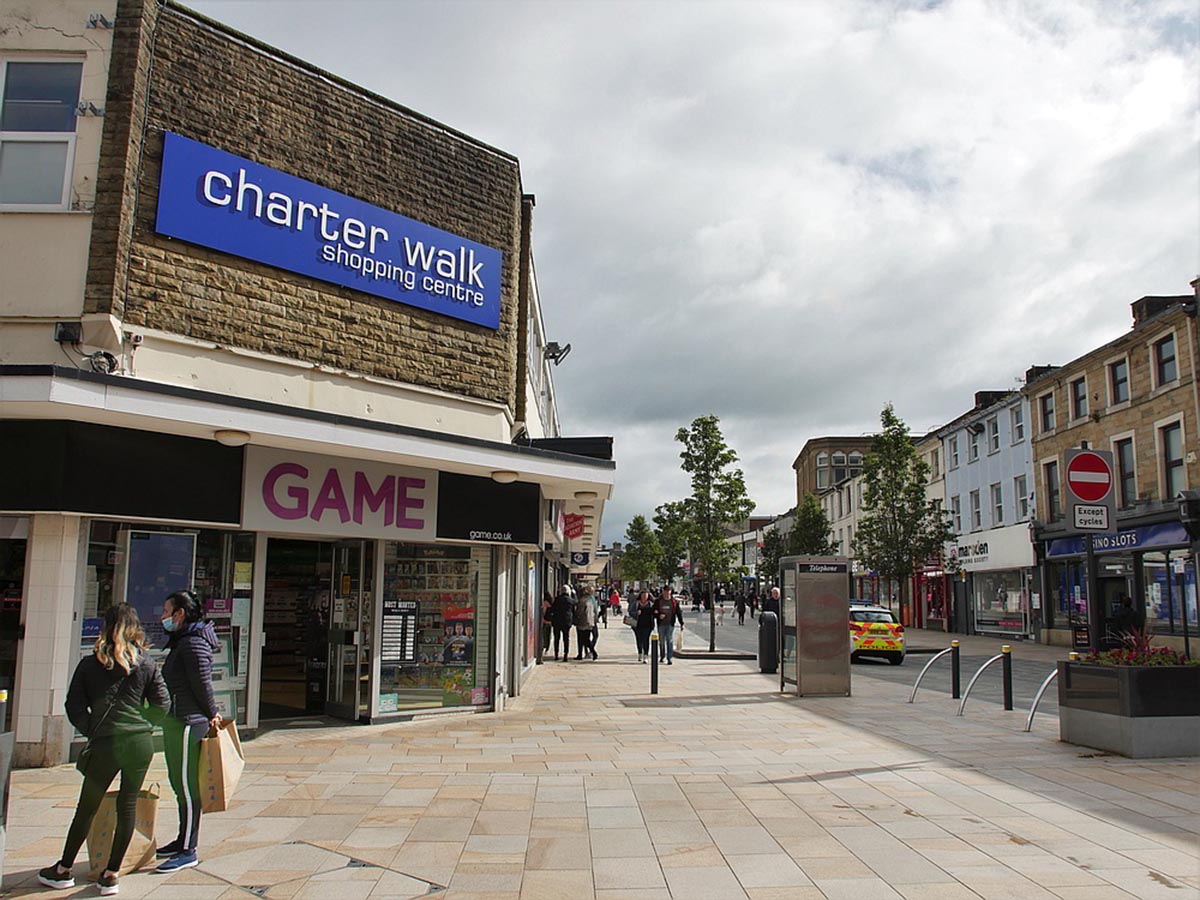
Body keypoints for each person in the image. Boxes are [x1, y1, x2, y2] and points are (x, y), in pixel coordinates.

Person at [39, 603, 169, 896]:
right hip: (139, 743)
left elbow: (73, 705)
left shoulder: (90, 663)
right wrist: (144, 724)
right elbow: (163, 703)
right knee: (127, 807)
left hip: (107, 742)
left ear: (106, 628)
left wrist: (92, 728)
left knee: (87, 806)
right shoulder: (146, 663)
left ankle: (63, 870)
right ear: (135, 628)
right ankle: (111, 874)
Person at [156, 590, 222, 874]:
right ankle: (181, 839)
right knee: (177, 781)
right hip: (176, 721)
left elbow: (202, 684)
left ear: (180, 613)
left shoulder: (193, 643)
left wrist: (212, 713)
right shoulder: (183, 641)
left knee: (187, 784)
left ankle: (189, 848)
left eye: (166, 610)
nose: (163, 617)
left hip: (188, 722)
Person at [656, 586, 684, 665]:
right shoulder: (658, 601)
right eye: (665, 591)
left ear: (670, 592)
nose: (666, 593)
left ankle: (669, 657)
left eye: (668, 591)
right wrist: (658, 615)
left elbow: (678, 613)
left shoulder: (674, 602)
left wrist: (682, 623)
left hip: (670, 624)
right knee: (661, 641)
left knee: (669, 640)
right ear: (663, 591)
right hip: (661, 624)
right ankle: (662, 655)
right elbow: (654, 611)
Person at [550, 585, 575, 661]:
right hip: (566, 621)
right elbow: (574, 611)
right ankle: (565, 655)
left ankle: (556, 654)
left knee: (556, 638)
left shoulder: (557, 599)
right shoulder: (571, 600)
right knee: (566, 638)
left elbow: (552, 609)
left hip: (557, 621)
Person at [631, 590, 656, 663]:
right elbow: (630, 611)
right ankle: (640, 653)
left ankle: (645, 655)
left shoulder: (651, 604)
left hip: (648, 625)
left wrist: (656, 613)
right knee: (639, 640)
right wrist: (636, 613)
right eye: (643, 595)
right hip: (637, 625)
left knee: (646, 639)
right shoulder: (636, 603)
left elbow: (654, 613)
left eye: (646, 595)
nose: (644, 597)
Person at [574, 586, 598, 660]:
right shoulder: (590, 600)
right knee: (586, 638)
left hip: (582, 621)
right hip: (590, 621)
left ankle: (591, 653)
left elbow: (579, 612)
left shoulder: (582, 601)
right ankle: (589, 652)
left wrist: (576, 617)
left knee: (582, 639)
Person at [540, 591, 554, 658]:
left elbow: (543, 613)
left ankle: (542, 647)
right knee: (547, 636)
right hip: (549, 622)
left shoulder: (544, 603)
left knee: (542, 635)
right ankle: (546, 648)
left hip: (544, 622)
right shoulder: (551, 604)